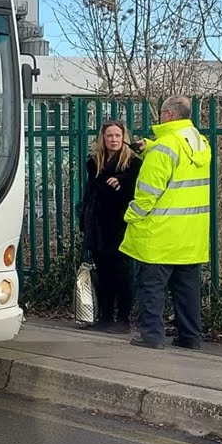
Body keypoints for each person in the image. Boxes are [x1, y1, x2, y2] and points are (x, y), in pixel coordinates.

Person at [120, 95, 212, 350]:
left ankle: (152, 335)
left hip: (160, 235)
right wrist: (149, 146)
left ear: (169, 115)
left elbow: (148, 193)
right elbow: (178, 161)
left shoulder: (164, 148)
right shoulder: (201, 144)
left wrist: (131, 216)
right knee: (187, 291)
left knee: (151, 287)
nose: (159, 117)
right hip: (191, 236)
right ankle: (190, 337)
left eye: (161, 113)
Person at [78, 120, 142, 333]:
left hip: (120, 225)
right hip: (97, 226)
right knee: (103, 273)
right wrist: (84, 220)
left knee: (121, 273)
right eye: (109, 136)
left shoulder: (132, 163)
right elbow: (91, 195)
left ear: (124, 137)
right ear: (102, 139)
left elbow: (136, 193)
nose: (114, 140)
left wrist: (122, 183)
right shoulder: (94, 162)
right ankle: (105, 317)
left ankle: (123, 319)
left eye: (117, 135)